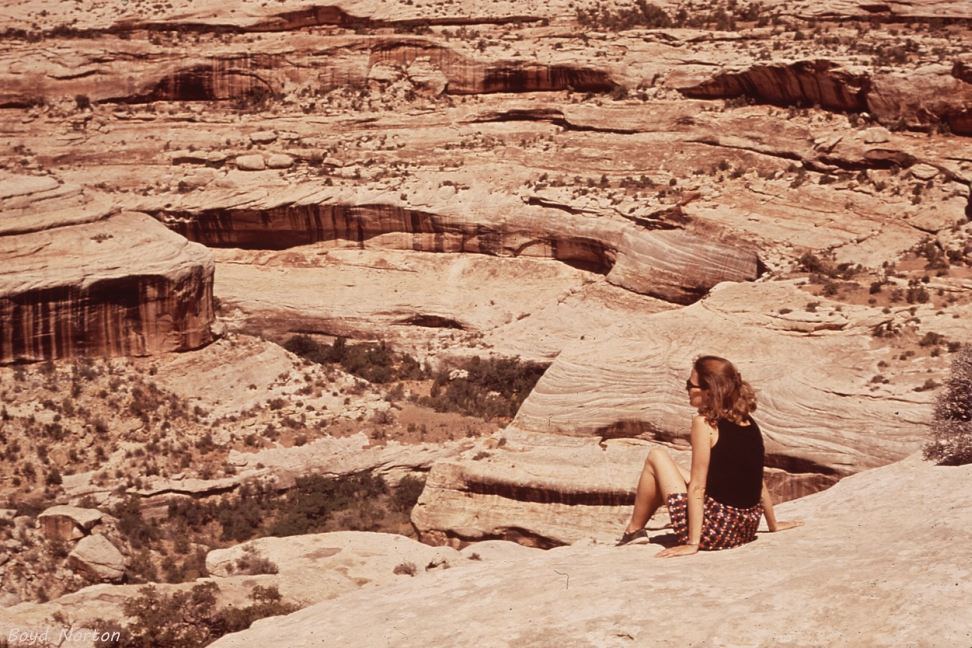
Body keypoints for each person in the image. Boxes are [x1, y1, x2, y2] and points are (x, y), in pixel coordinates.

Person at [616, 355, 802, 556]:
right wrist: (773, 524)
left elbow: (698, 486)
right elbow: (756, 477)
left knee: (657, 456)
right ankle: (636, 531)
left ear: (709, 391)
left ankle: (633, 531)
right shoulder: (748, 422)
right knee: (669, 469)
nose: (686, 389)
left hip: (715, 531)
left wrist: (692, 544)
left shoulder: (704, 424)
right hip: (745, 528)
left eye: (690, 385)